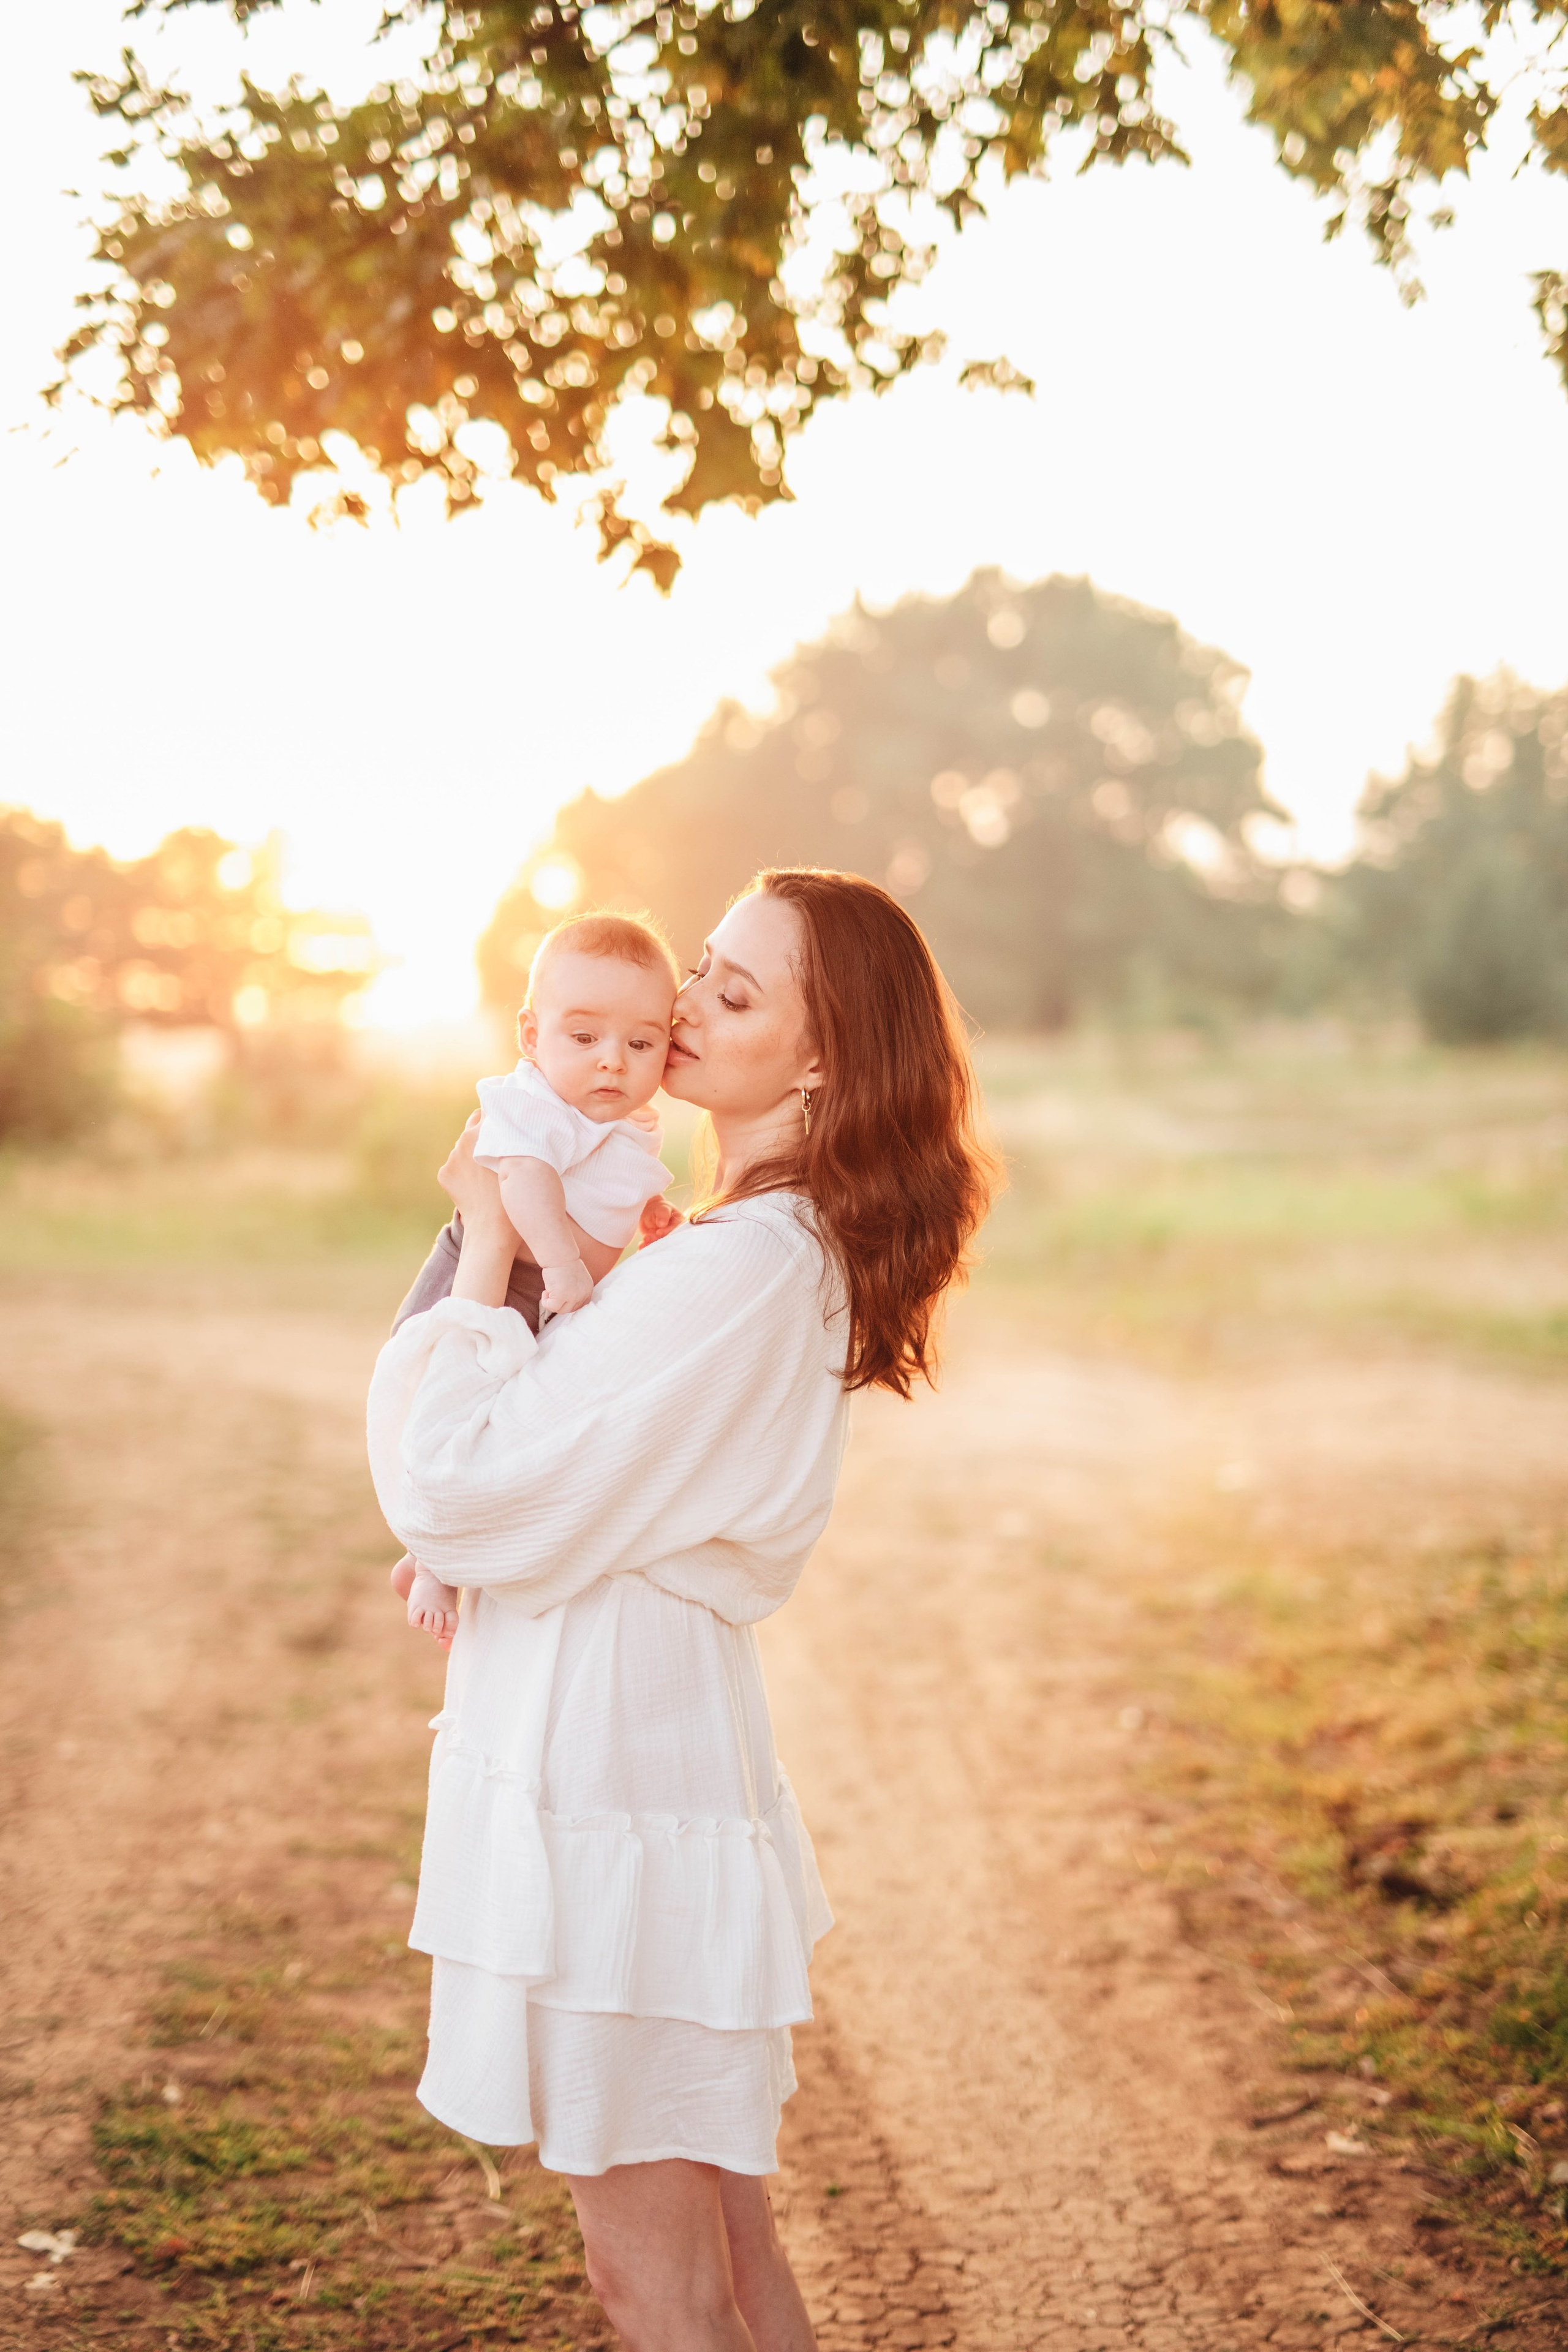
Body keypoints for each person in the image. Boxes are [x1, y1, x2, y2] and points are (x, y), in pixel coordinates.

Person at [368, 867, 997, 2352]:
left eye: (732, 990)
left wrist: (486, 1244)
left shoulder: (732, 1268)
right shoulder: (728, 1241)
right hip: (644, 1739)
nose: (681, 1008)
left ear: (822, 1053)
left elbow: (458, 1485)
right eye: (697, 971)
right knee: (719, 2258)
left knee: (654, 2286)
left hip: (615, 1770)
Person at [396, 910, 682, 1640]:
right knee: (450, 1405)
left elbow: (610, 1186)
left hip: (544, 1295)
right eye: (584, 1038)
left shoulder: (624, 1118)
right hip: (495, 1273)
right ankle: (432, 1559)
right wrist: (561, 1264)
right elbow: (522, 1180)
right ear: (532, 1037)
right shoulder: (535, 1103)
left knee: (503, 1427)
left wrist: (648, 1216)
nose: (612, 1060)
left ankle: (430, 1553)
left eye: (640, 1042)